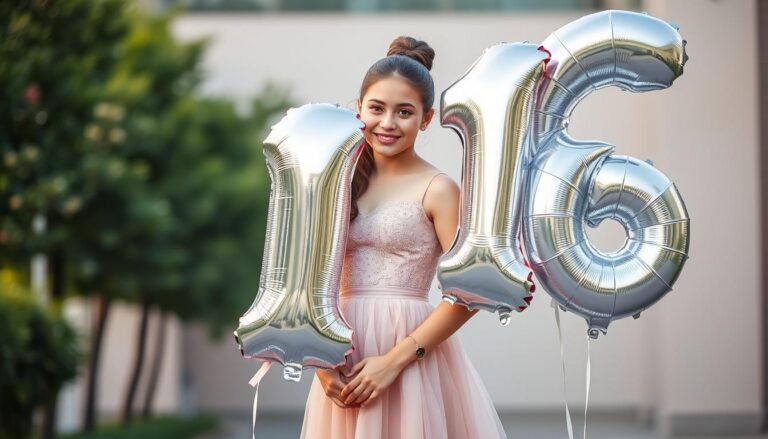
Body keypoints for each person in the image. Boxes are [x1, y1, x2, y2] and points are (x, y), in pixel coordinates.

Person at [300, 36, 508, 439]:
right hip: (340, 361)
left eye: (404, 112)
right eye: (376, 108)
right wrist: (322, 364)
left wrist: (394, 361)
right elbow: (306, 280)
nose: (388, 123)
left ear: (426, 119)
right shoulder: (334, 183)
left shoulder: (438, 188)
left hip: (410, 359)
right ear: (358, 107)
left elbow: (474, 290)